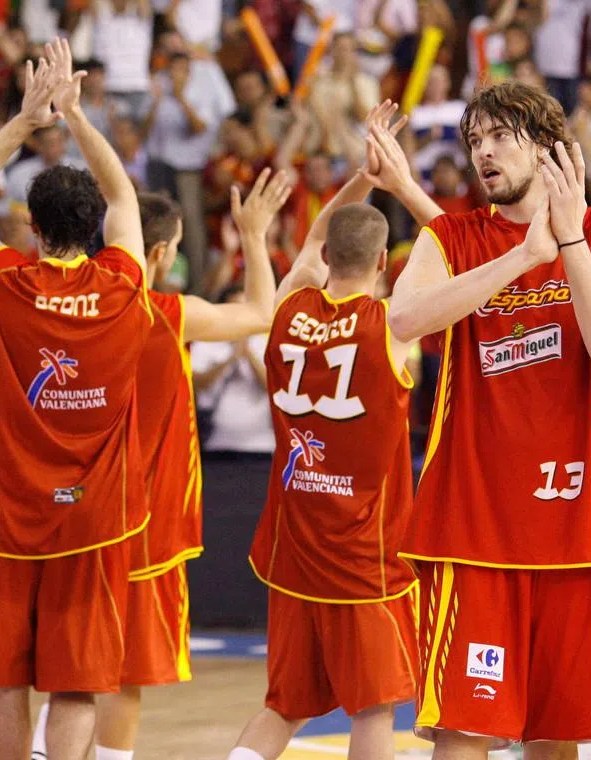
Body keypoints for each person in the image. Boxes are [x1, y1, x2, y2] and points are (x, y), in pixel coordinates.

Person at [388, 81, 591, 758]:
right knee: (463, 736)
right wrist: (524, 256)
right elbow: (405, 318)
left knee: (557, 739)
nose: (484, 152)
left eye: (501, 136)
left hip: (577, 527)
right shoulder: (449, 237)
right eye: (475, 140)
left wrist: (566, 242)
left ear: (549, 147)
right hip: (472, 527)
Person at [0, 39, 152, 759]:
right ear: (94, 232)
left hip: (16, 514)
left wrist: (28, 120)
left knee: (7, 683)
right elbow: (123, 194)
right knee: (77, 685)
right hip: (94, 520)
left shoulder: (5, 284)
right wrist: (78, 119)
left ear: (30, 226)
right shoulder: (124, 285)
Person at [226, 101, 446, 760]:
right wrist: (396, 181)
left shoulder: (288, 308)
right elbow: (451, 249)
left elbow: (320, 235)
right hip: (361, 559)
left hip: (295, 549)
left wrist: (361, 180)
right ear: (384, 262)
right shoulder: (392, 327)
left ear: (323, 257)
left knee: (283, 708)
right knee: (373, 712)